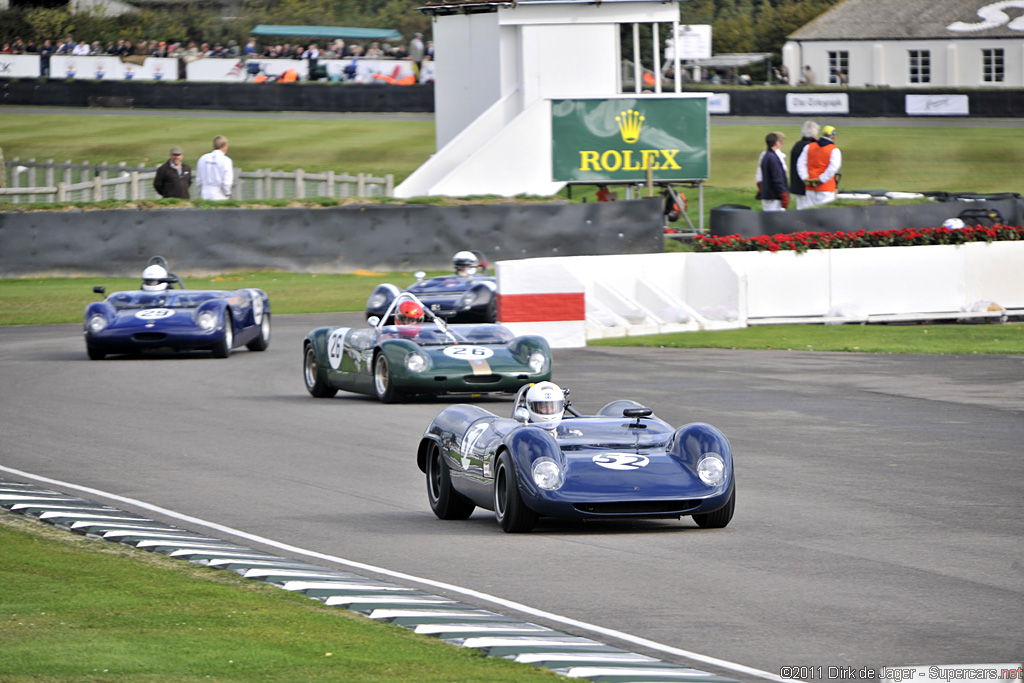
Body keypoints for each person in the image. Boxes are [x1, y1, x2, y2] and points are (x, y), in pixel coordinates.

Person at [797, 125, 842, 207]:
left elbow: (800, 164)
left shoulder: (809, 146)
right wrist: (820, 180)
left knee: (809, 214)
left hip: (810, 187)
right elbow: (833, 169)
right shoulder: (834, 150)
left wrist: (805, 178)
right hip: (826, 188)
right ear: (833, 137)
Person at [789, 121, 820, 210]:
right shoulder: (815, 147)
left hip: (798, 186)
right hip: (811, 187)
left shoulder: (797, 145)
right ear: (814, 134)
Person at [196, 135, 234, 201]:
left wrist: (199, 192)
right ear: (224, 146)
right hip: (220, 195)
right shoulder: (226, 160)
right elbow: (227, 182)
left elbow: (199, 180)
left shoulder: (203, 158)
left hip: (205, 194)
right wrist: (227, 193)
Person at [758, 132, 789, 212]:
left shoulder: (766, 156)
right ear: (776, 143)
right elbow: (777, 179)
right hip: (774, 197)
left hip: (767, 195)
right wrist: (784, 194)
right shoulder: (773, 158)